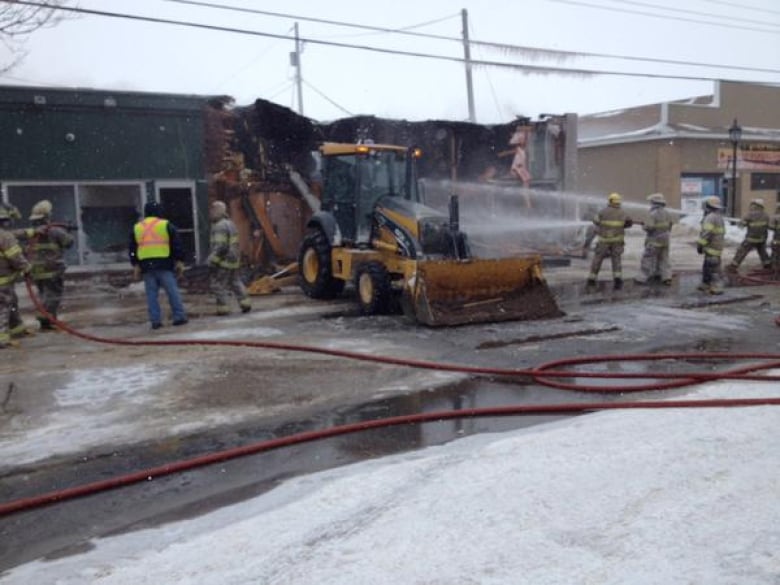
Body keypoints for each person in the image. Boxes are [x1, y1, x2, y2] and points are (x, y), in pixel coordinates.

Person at [14, 200, 74, 330]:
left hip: (36, 270)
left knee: (44, 295)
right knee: (53, 296)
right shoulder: (55, 231)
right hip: (52, 269)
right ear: (47, 217)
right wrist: (68, 232)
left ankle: (49, 320)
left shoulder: (31, 233)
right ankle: (45, 318)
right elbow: (68, 243)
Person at [128, 201, 188, 329]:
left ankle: (155, 320)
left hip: (146, 266)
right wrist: (179, 260)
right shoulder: (166, 225)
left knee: (151, 295)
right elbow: (176, 244)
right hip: (164, 263)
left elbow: (132, 248)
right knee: (172, 292)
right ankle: (179, 316)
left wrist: (135, 264)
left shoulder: (137, 227)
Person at [208, 200, 251, 316]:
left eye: (212, 211)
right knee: (235, 282)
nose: (210, 213)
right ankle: (245, 304)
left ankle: (223, 309)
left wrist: (212, 261)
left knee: (217, 285)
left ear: (217, 211)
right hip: (234, 261)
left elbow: (221, 246)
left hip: (224, 261)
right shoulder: (230, 223)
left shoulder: (219, 226)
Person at [586, 192, 632, 291]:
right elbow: (628, 223)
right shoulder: (623, 213)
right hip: (617, 241)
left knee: (598, 259)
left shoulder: (603, 212)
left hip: (604, 240)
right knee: (616, 259)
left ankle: (592, 279)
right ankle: (617, 279)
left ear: (610, 201)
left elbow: (595, 221)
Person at [0, 206, 32, 349]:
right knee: (3, 308)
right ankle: (1, 339)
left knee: (12, 303)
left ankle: (17, 329)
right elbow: (15, 257)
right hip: (3, 281)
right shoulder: (5, 236)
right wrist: (26, 267)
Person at [634, 192, 673, 285]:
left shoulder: (652, 213)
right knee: (664, 259)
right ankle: (666, 277)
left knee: (648, 258)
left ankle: (642, 278)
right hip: (665, 240)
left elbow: (649, 227)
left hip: (654, 240)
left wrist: (644, 226)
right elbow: (670, 225)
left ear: (654, 202)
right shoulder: (667, 212)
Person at [727, 198, 770, 272]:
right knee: (763, 252)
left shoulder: (750, 214)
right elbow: (769, 226)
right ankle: (768, 265)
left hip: (751, 238)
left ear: (756, 205)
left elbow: (741, 225)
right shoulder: (766, 215)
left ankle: (733, 266)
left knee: (742, 251)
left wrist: (742, 223)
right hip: (762, 239)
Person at [696, 196, 726, 295]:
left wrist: (700, 244)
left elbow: (706, 233)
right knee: (707, 267)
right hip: (717, 246)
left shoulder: (710, 217)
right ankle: (706, 284)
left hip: (712, 247)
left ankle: (717, 287)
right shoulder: (719, 217)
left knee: (713, 268)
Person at [769, 201, 780, 278]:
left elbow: (771, 227)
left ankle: (776, 273)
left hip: (777, 240)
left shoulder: (775, 217)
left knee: (776, 256)